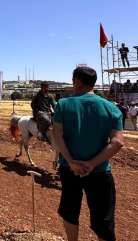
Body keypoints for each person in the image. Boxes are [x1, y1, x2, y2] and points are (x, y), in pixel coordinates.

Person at [52, 66, 123, 241]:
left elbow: (56, 134)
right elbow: (118, 142)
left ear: (77, 81)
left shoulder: (63, 104)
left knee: (70, 210)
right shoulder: (111, 108)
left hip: (70, 169)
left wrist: (71, 162)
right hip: (99, 171)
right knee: (103, 217)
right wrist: (91, 164)